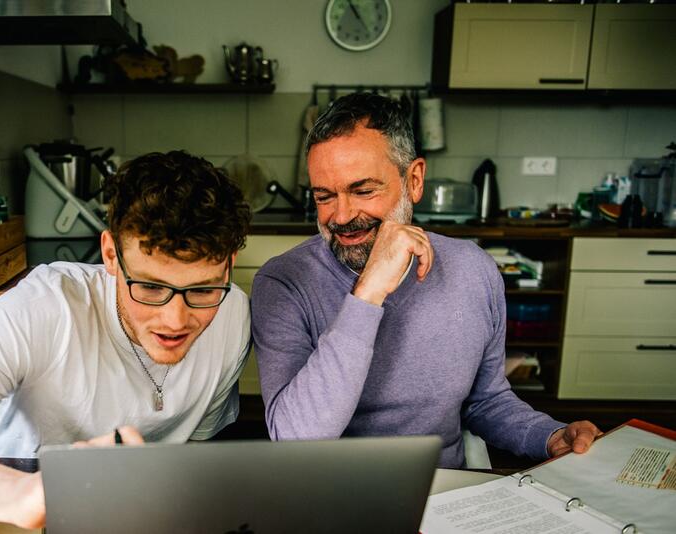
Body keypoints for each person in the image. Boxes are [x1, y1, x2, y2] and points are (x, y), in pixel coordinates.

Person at [0, 151, 252, 528]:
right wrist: (31, 495)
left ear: (229, 265)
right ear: (109, 255)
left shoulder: (233, 316)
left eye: (202, 290)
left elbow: (198, 451)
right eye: (150, 287)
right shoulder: (45, 308)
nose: (176, 320)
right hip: (15, 517)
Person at [250, 92, 599, 468]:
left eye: (363, 190)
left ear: (413, 180)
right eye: (323, 196)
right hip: (333, 497)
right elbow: (295, 438)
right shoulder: (283, 282)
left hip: (442, 491)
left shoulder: (473, 270)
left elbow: (485, 401)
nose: (342, 215)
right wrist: (368, 293)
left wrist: (548, 437)